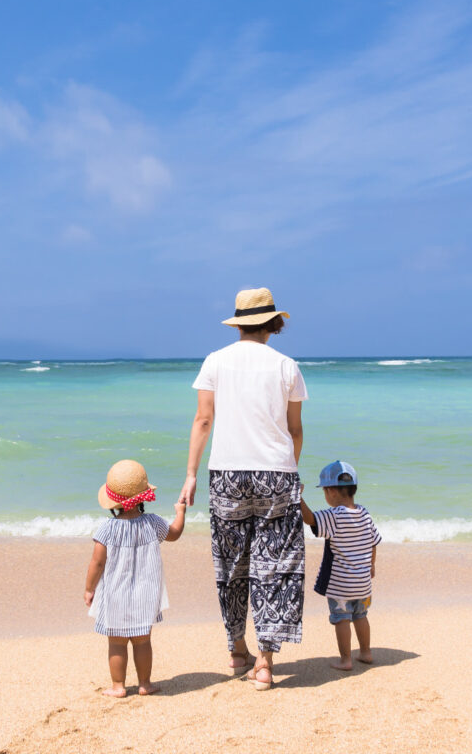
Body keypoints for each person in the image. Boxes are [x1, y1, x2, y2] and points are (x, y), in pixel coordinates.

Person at [181, 287, 307, 691]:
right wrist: (288, 471)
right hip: (276, 473)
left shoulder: (215, 361)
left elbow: (203, 420)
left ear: (238, 323)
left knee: (231, 562)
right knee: (277, 563)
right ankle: (266, 662)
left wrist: (191, 474)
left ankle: (238, 648)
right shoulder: (287, 365)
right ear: (273, 323)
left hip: (227, 473)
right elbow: (295, 431)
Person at [85, 459, 187, 697]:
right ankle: (145, 684)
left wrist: (89, 589)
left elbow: (97, 563)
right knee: (142, 642)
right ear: (143, 497)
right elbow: (175, 533)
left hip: (115, 596)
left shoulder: (106, 529)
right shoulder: (153, 524)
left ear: (113, 503)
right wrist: (180, 513)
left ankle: (118, 686)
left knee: (117, 643)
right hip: (145, 595)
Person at [299, 459, 381, 671]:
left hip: (340, 584)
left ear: (332, 492)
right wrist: (371, 565)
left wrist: (297, 498)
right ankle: (366, 652)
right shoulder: (364, 513)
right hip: (363, 582)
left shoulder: (334, 516)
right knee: (361, 616)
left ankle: (346, 659)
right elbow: (373, 542)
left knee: (341, 619)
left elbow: (310, 519)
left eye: (325, 491)